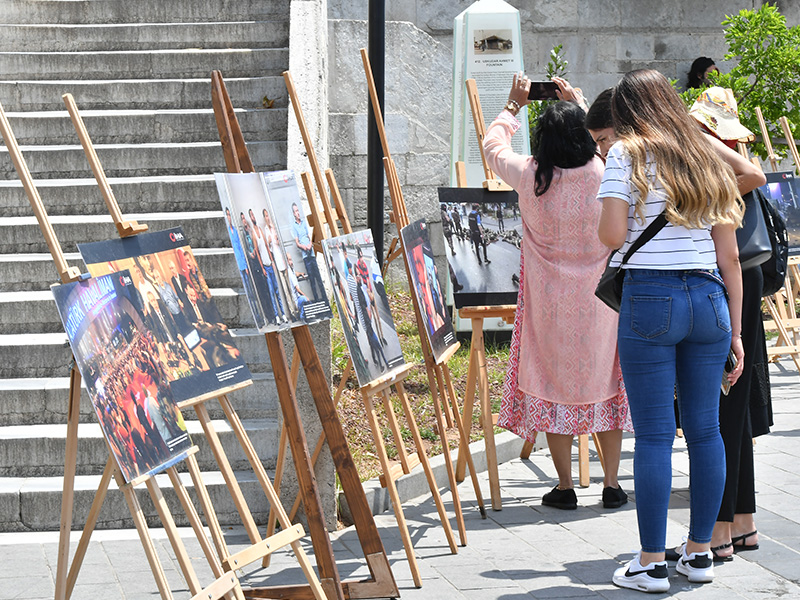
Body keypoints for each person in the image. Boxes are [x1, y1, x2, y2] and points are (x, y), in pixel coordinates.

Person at [597, 69, 745, 592]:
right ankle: (700, 553)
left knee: (656, 434)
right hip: (709, 298)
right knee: (706, 430)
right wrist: (737, 333)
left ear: (627, 112)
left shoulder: (625, 154)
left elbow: (612, 234)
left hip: (651, 297)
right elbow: (730, 255)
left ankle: (651, 562)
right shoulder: (703, 155)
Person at [484, 74, 631, 514]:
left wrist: (512, 106)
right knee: (606, 385)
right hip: (602, 303)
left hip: (547, 306)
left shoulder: (531, 176)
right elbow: (604, 141)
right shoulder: (604, 172)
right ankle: (611, 484)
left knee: (553, 386)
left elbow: (492, 147)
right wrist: (579, 102)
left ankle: (565, 486)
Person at [684, 87, 769, 562]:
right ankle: (743, 521)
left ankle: (717, 528)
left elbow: (755, 178)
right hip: (739, 278)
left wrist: (702, 137)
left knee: (724, 406)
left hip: (731, 279)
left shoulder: (725, 164)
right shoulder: (726, 162)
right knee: (735, 406)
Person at [291, 202, 326, 302]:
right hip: (306, 256)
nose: (298, 213)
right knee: (312, 279)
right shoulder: (294, 226)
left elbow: (309, 237)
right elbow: (297, 243)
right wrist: (304, 247)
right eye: (296, 211)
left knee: (318, 277)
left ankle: (324, 299)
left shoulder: (304, 223)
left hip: (311, 253)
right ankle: (316, 299)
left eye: (298, 210)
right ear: (294, 213)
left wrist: (310, 244)